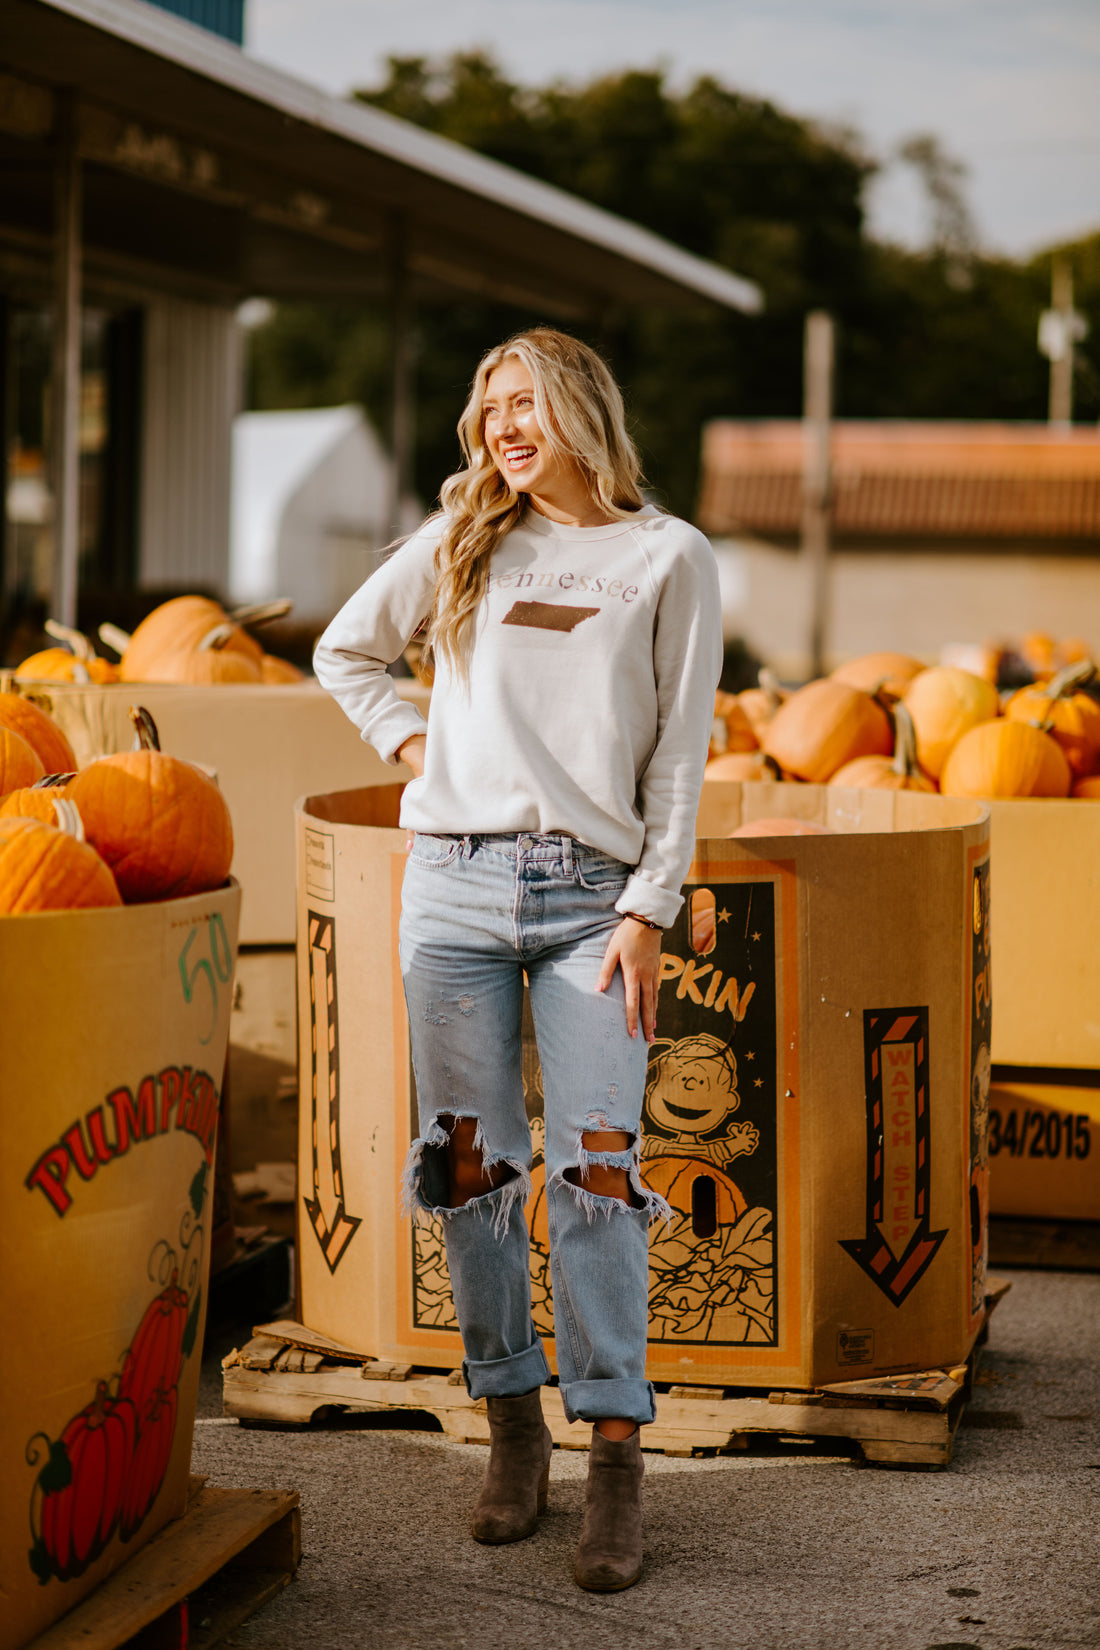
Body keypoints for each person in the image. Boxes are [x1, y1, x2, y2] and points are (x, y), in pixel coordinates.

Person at [313, 326, 722, 1592]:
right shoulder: (457, 544)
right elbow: (344, 651)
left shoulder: (666, 557)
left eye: (523, 399)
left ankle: (612, 1454)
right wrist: (409, 751)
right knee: (472, 1172)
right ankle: (509, 1431)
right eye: (486, 403)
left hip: (594, 904)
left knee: (598, 1174)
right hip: (451, 891)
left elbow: (678, 753)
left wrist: (651, 907)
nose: (500, 422)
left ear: (580, 409)